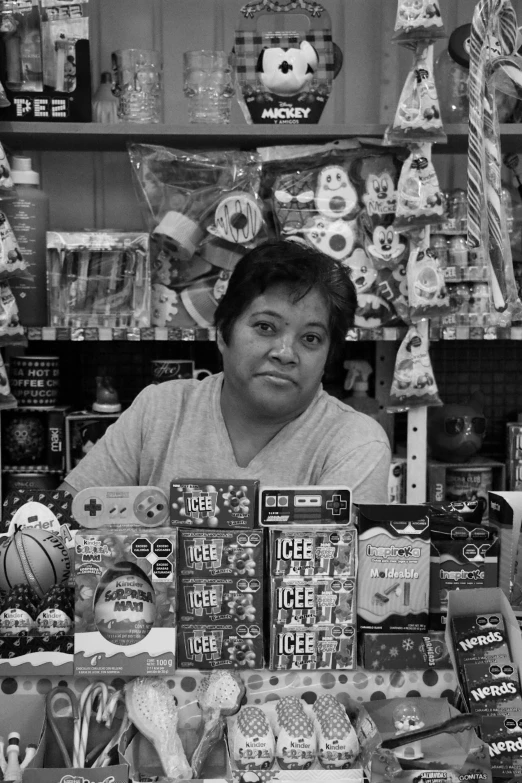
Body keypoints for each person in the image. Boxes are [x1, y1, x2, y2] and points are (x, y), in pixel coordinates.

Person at [62, 239, 391, 502]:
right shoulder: (159, 411)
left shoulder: (356, 442)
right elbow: (59, 524)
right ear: (222, 333)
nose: (285, 353)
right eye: (265, 327)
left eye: (311, 338)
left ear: (328, 355)